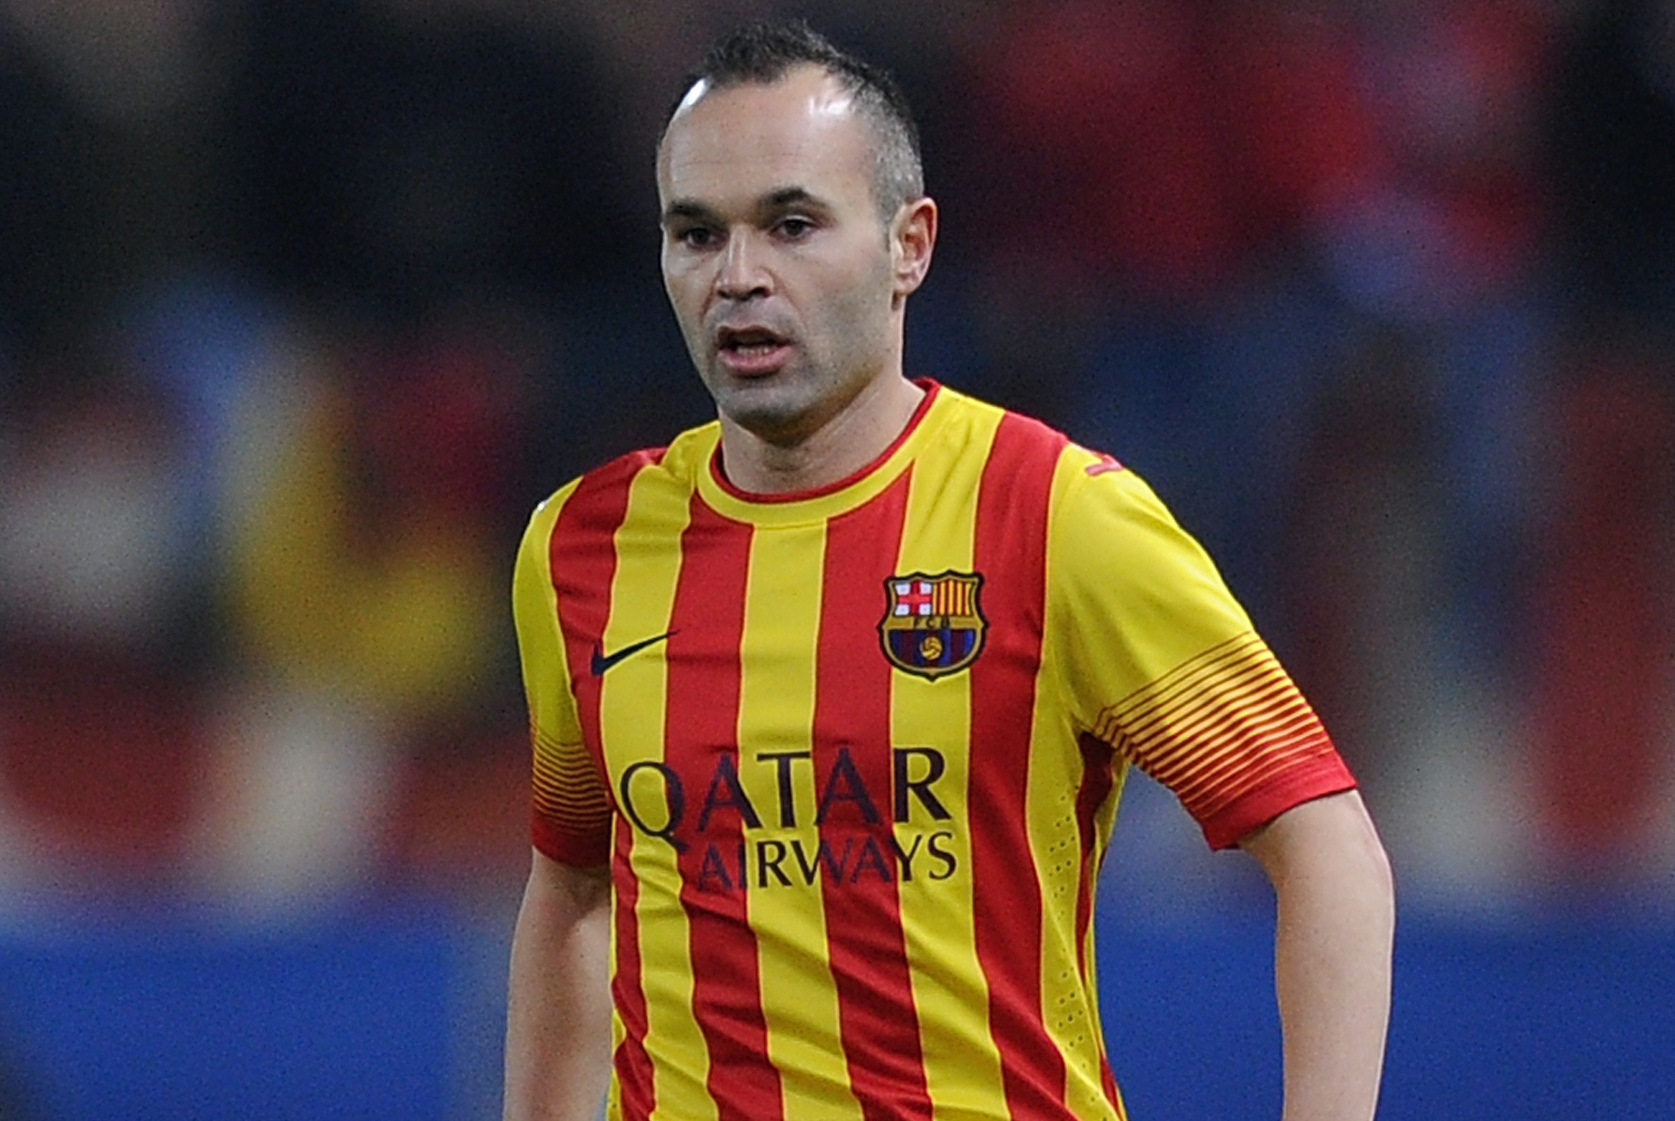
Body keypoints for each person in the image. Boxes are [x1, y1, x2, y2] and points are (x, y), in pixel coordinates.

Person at [503, 19, 1394, 1121]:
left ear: (908, 245)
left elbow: (1323, 840)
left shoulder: (1055, 514)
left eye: (790, 224)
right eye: (696, 234)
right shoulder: (580, 546)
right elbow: (574, 884)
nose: (738, 276)